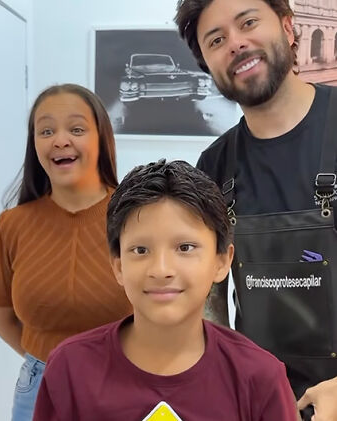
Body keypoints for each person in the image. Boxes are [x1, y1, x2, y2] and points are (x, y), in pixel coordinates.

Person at [32, 159, 297, 421]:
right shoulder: (71, 368)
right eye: (140, 250)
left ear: (222, 260)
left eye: (185, 248)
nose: (161, 270)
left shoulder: (259, 376)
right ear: (118, 266)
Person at [175, 0, 337, 418]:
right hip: (263, 403)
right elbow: (208, 300)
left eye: (248, 22)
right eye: (216, 40)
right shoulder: (212, 167)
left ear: (287, 27)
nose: (236, 44)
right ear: (207, 65)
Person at [0, 84, 132, 421]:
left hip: (124, 383)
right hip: (41, 388)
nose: (60, 140)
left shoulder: (136, 217)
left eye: (76, 128)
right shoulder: (13, 224)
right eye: (46, 131)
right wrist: (51, 360)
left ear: (101, 138)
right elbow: (1, 317)